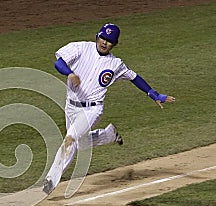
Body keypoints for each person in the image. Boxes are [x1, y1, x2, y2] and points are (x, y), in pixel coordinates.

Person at [43, 23, 176, 194]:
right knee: (79, 143)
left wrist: (154, 94)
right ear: (97, 36)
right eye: (103, 38)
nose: (105, 42)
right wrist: (70, 73)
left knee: (70, 139)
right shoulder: (81, 48)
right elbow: (59, 62)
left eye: (110, 41)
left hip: (93, 109)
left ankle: (51, 180)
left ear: (115, 44)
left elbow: (134, 77)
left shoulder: (116, 64)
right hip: (71, 106)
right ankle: (107, 135)